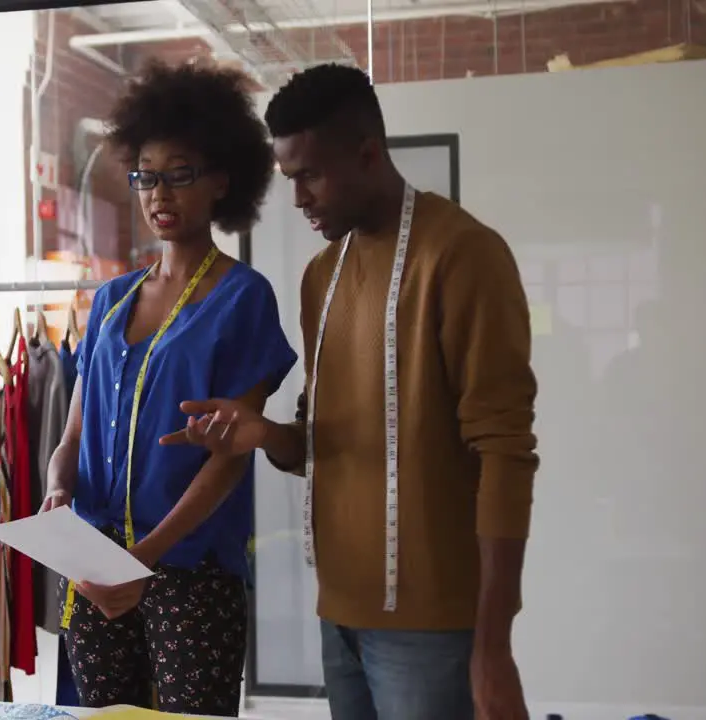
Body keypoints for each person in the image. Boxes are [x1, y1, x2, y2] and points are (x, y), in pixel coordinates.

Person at [161, 63, 539, 720]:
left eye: (309, 175)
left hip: (430, 629)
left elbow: (505, 454)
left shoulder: (462, 255)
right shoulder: (321, 277)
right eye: (288, 180)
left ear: (368, 154)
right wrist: (262, 434)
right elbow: (318, 443)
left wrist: (494, 645)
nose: (300, 198)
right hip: (340, 616)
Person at [41, 59, 297, 718]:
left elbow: (230, 453)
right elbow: (75, 429)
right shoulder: (111, 298)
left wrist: (145, 558)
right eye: (146, 176)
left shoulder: (243, 297)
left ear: (221, 181)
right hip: (96, 562)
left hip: (190, 567)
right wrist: (57, 484)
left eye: (179, 175)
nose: (160, 193)